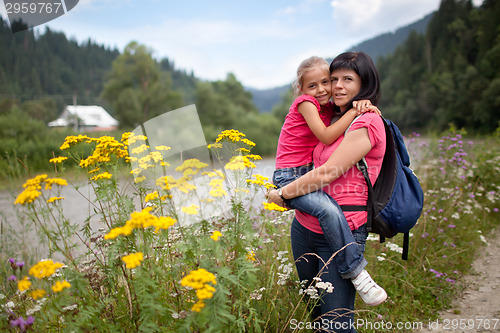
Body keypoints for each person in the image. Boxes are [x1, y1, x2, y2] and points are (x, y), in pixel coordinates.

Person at [267, 51, 387, 332]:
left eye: (348, 79)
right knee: (317, 317)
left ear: (364, 84)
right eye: (334, 79)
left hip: (341, 229)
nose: (336, 87)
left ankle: (357, 271)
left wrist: (284, 195)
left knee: (336, 325)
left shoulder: (367, 121)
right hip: (306, 229)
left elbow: (327, 172)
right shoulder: (332, 114)